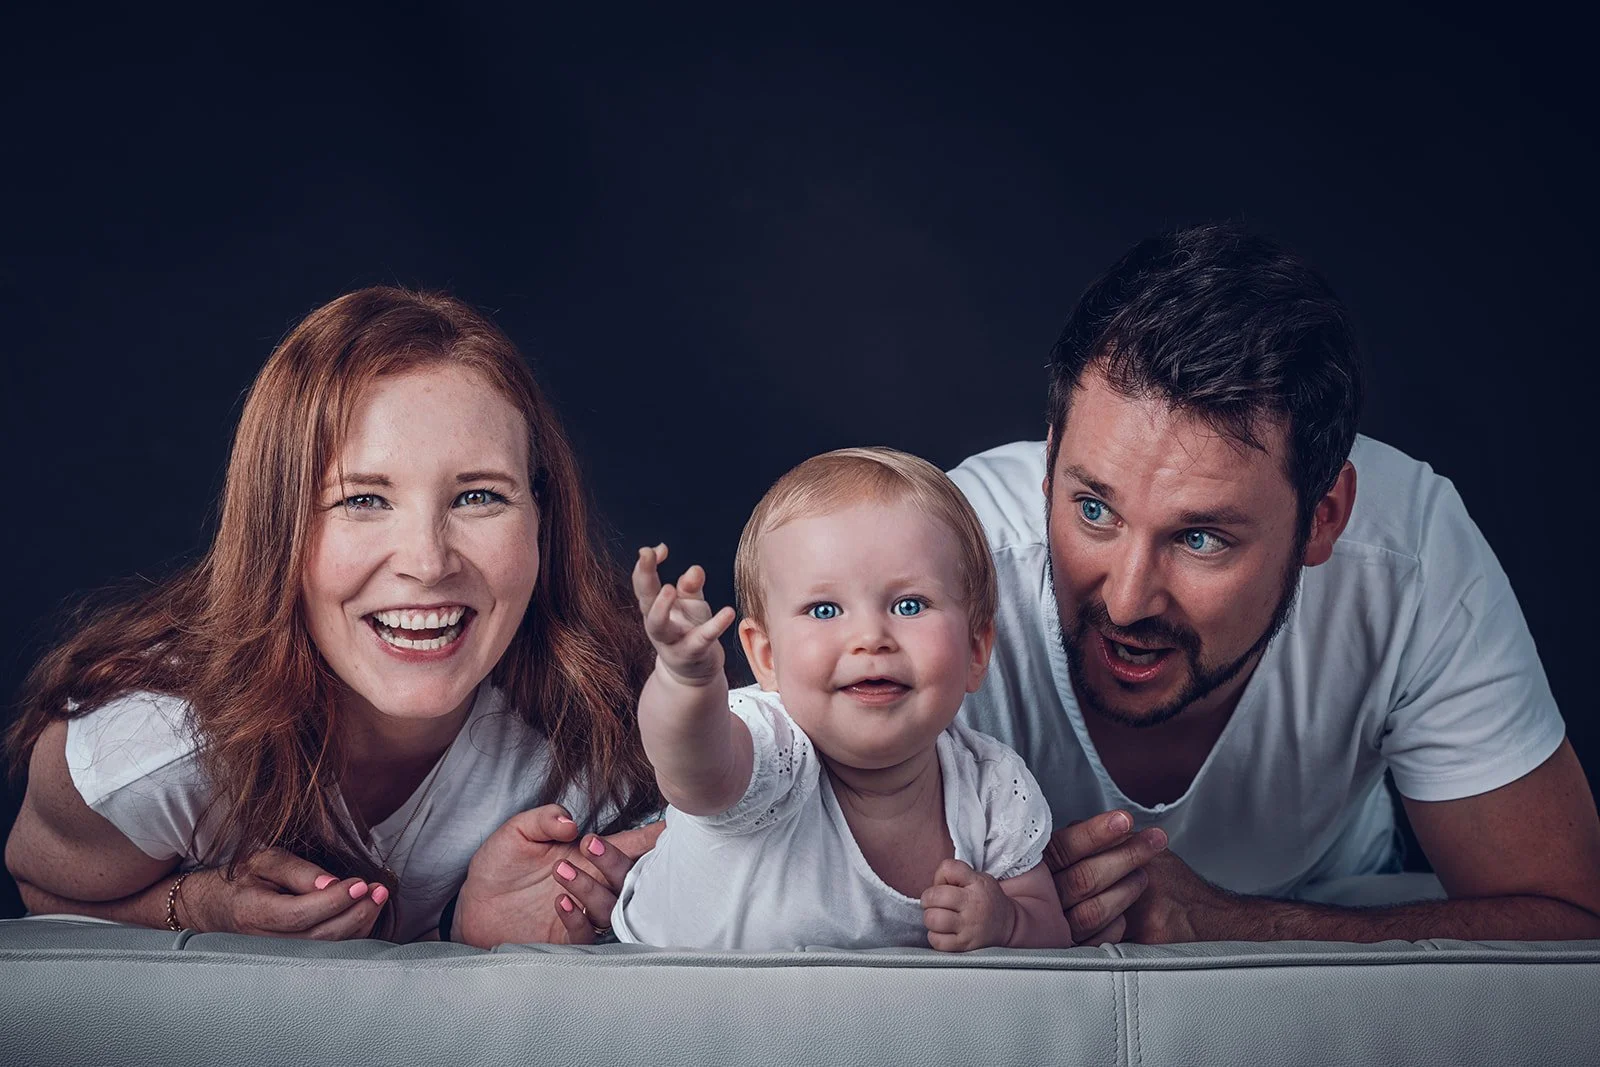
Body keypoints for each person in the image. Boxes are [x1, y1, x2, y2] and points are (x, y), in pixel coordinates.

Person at [947, 222, 1600, 944]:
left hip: (1333, 890)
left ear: (1323, 520)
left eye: (1200, 538)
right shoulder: (948, 559)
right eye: (1094, 509)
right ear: (1048, 470)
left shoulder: (1409, 558)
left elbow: (1571, 921)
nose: (1127, 599)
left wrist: (1239, 924)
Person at [4, 287, 659, 943]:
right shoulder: (150, 747)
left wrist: (474, 937)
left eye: (480, 495)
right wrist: (204, 907)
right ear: (276, 527)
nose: (429, 562)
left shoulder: (614, 739)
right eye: (364, 499)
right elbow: (43, 890)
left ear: (542, 518)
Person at [610, 448, 1072, 950]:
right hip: (671, 1009)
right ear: (766, 657)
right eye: (826, 609)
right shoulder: (768, 747)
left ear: (976, 650)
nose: (871, 637)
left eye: (909, 605)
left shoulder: (991, 789)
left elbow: (1053, 936)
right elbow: (690, 767)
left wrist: (1007, 923)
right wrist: (688, 681)